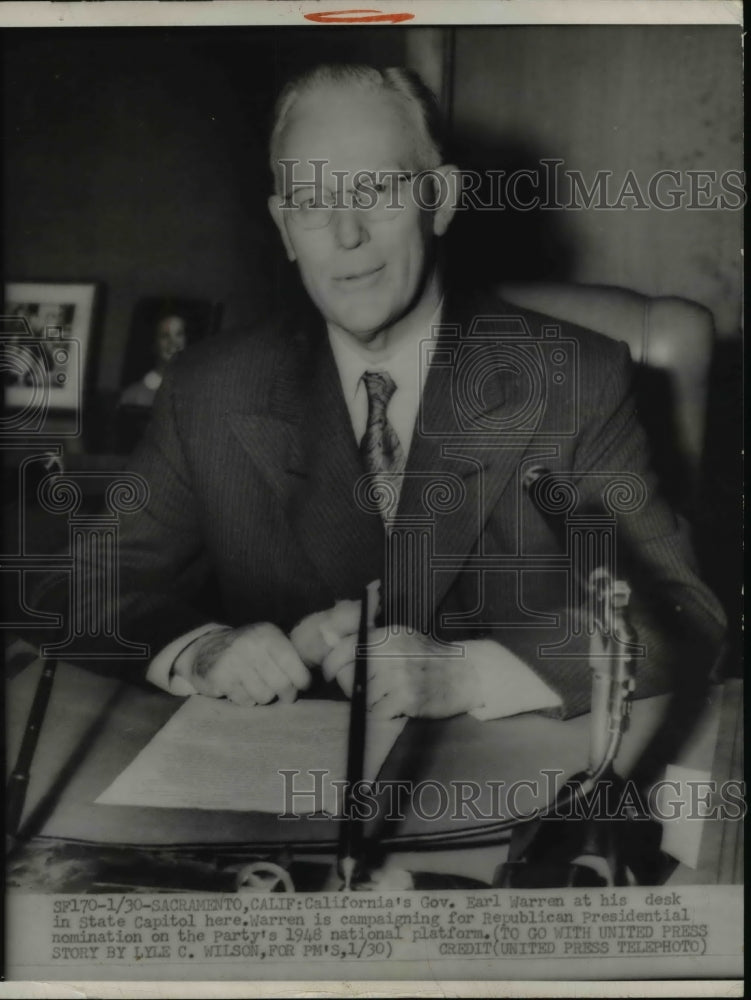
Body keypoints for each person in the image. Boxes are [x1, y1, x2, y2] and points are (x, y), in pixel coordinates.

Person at [31, 64, 725, 724]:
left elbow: (682, 614)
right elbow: (75, 590)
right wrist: (200, 648)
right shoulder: (210, 389)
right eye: (311, 203)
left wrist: (468, 673)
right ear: (283, 227)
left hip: (506, 785)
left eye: (375, 192)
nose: (345, 234)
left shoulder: (574, 377)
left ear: (441, 200)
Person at [119, 313, 188, 408]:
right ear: (154, 344)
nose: (173, 342)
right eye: (164, 336)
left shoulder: (197, 389)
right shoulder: (132, 395)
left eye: (179, 334)